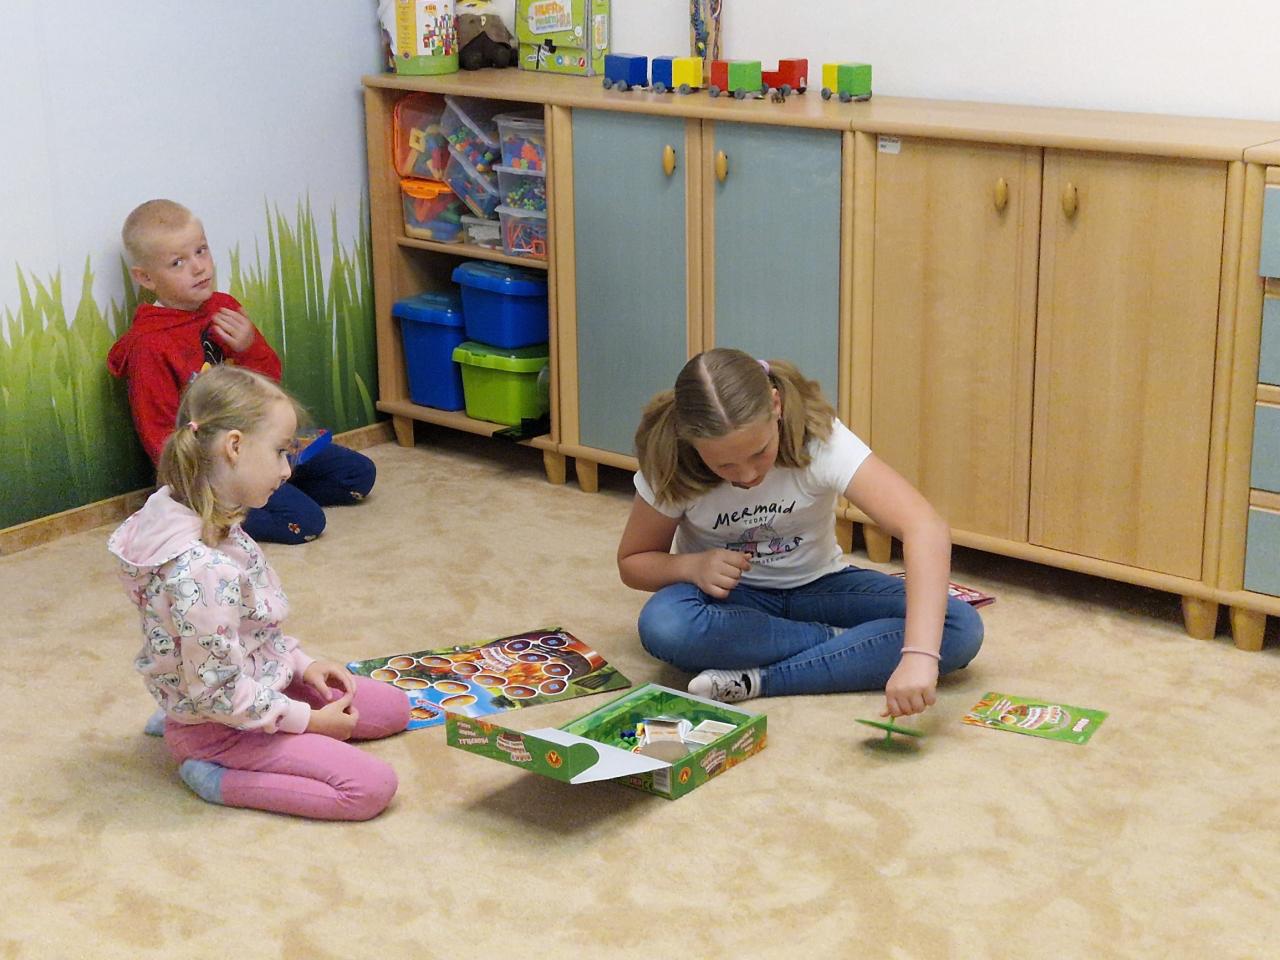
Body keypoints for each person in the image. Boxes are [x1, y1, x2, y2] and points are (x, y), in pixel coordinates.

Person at [108, 365, 409, 820]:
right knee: (370, 788)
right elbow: (219, 692)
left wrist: (303, 664)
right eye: (280, 452)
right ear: (234, 446)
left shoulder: (210, 516)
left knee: (393, 708)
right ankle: (209, 771)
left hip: (255, 684)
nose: (287, 470)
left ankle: (179, 720)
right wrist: (309, 722)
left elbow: (253, 628)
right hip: (223, 724)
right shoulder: (201, 572)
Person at [616, 348, 984, 718]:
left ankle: (760, 680)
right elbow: (634, 562)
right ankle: (848, 643)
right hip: (732, 600)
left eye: (759, 453)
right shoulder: (671, 456)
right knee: (665, 625)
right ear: (689, 441)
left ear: (776, 405)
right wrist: (692, 567)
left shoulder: (819, 436)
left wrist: (919, 656)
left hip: (821, 585)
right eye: (724, 465)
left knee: (959, 627)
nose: (747, 476)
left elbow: (924, 526)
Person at [107, 198, 375, 545]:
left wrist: (248, 346)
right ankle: (209, 512)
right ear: (145, 277)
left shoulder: (224, 307)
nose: (199, 268)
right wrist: (197, 483)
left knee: (358, 475)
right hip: (217, 473)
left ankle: (272, 484)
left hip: (263, 446)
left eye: (201, 251)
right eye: (177, 262)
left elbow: (269, 384)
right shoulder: (149, 345)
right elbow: (159, 434)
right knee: (306, 522)